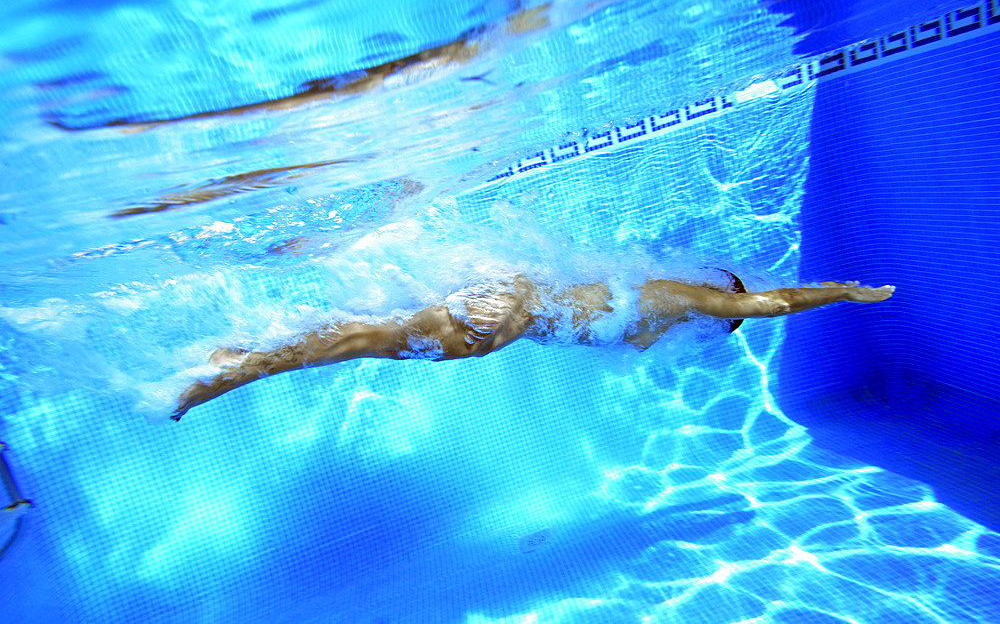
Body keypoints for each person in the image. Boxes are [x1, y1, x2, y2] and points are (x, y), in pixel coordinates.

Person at [170, 273, 894, 420]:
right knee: (373, 340)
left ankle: (238, 354)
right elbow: (765, 305)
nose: (716, 323)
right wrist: (840, 294)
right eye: (722, 314)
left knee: (373, 335)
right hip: (509, 313)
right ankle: (225, 377)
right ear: (719, 295)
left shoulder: (648, 311)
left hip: (511, 306)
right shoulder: (687, 297)